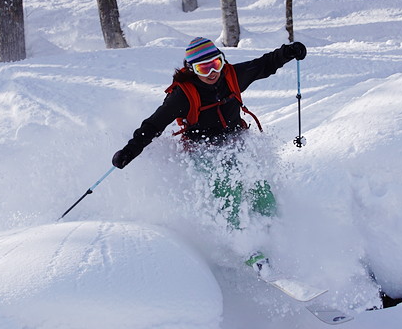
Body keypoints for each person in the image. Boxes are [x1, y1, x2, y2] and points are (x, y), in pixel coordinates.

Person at [111, 37, 307, 269]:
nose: (212, 72)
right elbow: (154, 124)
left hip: (236, 142)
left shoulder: (232, 76)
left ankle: (275, 236)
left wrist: (288, 52)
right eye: (203, 68)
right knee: (228, 189)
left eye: (216, 63)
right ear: (191, 70)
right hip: (201, 150)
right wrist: (130, 151)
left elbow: (265, 64)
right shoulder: (183, 95)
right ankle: (247, 249)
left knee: (260, 187)